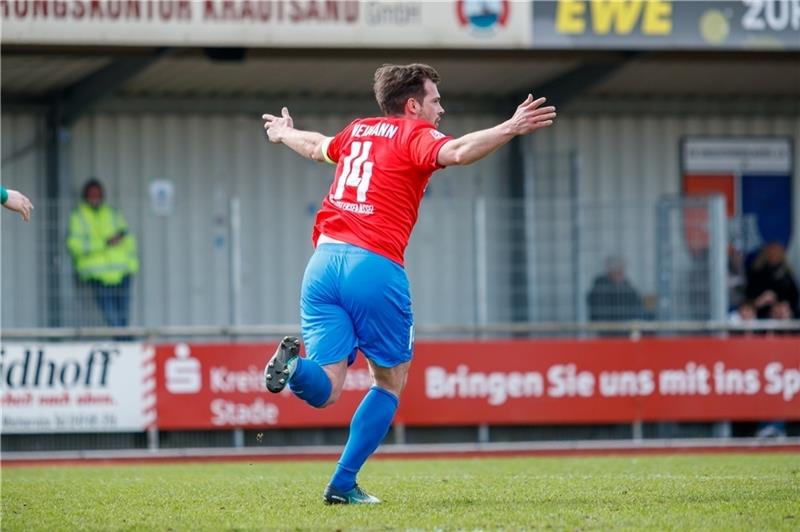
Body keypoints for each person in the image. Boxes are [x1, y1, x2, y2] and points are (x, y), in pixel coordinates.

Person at [261, 63, 556, 505]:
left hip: (322, 264)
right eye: (435, 100)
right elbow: (457, 151)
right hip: (373, 267)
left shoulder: (359, 130)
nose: (441, 109)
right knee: (389, 381)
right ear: (413, 105)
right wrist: (511, 126)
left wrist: (285, 133)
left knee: (326, 388)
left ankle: (291, 368)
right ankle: (342, 484)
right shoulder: (413, 134)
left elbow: (316, 146)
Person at [66, 179, 139, 328]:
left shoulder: (112, 213)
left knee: (124, 313)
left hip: (121, 271)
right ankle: (120, 339)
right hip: (97, 274)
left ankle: (123, 339)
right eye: (92, 194)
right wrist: (104, 243)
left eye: (97, 194)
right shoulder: (78, 216)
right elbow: (74, 245)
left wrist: (131, 266)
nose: (95, 197)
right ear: (85, 196)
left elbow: (127, 238)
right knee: (110, 314)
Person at [746, 242, 799, 320]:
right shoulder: (757, 273)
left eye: (776, 254)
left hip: (784, 314)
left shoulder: (786, 274)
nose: (774, 256)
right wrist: (761, 300)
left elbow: (794, 297)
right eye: (771, 254)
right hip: (761, 313)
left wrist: (783, 305)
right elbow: (748, 299)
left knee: (785, 314)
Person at [587, 256, 647, 322]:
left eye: (621, 271)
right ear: (610, 271)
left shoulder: (626, 285)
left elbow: (637, 302)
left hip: (624, 323)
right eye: (618, 271)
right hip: (607, 324)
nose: (621, 274)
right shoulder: (600, 286)